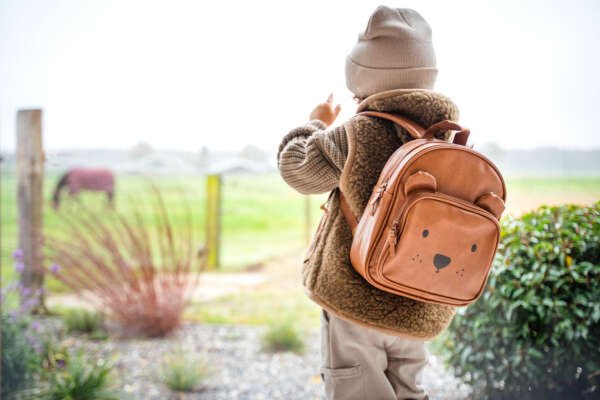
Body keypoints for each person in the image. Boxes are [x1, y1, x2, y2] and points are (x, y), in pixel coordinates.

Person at [277, 6, 461, 400]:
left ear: (362, 77)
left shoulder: (356, 134)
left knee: (356, 388)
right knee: (410, 390)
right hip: (416, 305)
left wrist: (315, 123)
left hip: (355, 302)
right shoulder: (443, 140)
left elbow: (297, 169)